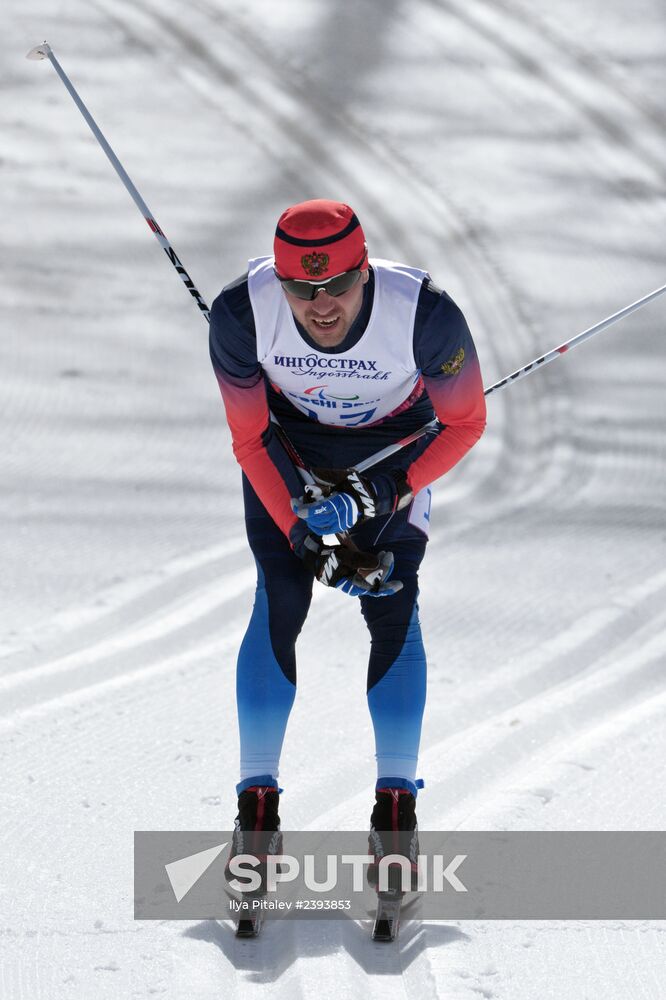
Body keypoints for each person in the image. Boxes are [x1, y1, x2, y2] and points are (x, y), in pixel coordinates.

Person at [209, 199, 486, 884]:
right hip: (289, 452)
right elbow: (249, 438)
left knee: (392, 596)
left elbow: (466, 423)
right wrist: (304, 534)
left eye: (336, 283)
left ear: (365, 270)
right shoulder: (242, 314)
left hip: (396, 450)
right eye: (300, 288)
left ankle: (396, 815)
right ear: (279, 280)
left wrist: (384, 491)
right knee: (280, 590)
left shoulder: (426, 315)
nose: (320, 304)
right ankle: (256, 810)